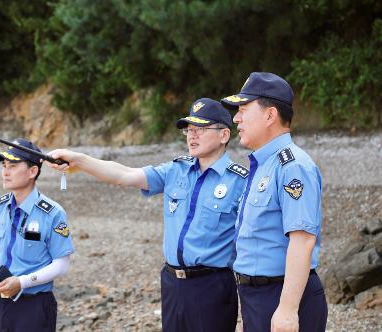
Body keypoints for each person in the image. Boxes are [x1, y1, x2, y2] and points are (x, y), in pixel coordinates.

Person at [48, 98, 247, 332]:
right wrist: (80, 160)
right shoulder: (176, 170)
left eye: (201, 129)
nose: (192, 136)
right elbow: (125, 175)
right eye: (189, 130)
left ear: (224, 135)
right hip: (172, 283)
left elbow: (248, 246)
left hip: (212, 286)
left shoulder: (240, 181)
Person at [221, 72, 328, 332]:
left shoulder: (293, 166)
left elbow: (302, 240)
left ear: (270, 115)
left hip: (283, 296)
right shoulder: (263, 164)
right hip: (257, 297)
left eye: (243, 109)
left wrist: (288, 310)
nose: (236, 118)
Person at [0, 138, 74, 332]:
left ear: (32, 171)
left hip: (33, 307)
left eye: (13, 165)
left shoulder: (53, 213)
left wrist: (22, 282)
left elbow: (62, 264)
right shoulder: (0, 206)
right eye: (4, 165)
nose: (5, 171)